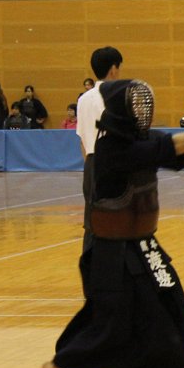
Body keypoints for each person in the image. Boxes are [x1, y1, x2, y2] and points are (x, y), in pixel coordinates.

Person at [41, 78, 184, 368]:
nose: (142, 109)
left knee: (176, 310)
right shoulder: (110, 149)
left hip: (145, 247)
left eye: (144, 103)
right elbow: (162, 151)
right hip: (111, 253)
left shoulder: (144, 139)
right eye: (135, 104)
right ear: (120, 109)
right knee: (111, 326)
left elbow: (176, 154)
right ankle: (57, 367)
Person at [80, 46, 124, 250]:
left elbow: (82, 140)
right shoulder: (117, 96)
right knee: (117, 223)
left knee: (92, 224)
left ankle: (90, 265)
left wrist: (91, 167)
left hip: (91, 164)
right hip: (113, 163)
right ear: (113, 69)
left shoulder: (83, 99)